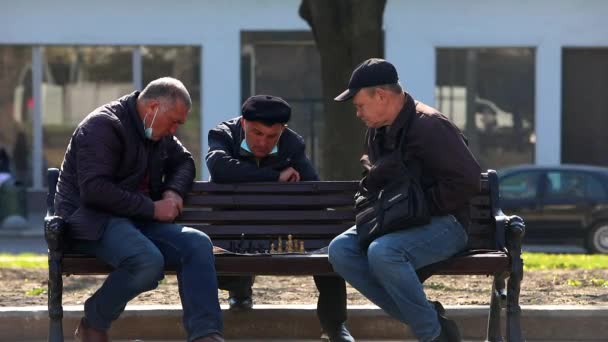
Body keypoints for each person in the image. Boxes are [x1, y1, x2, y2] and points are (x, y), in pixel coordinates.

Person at [54, 77, 224, 342]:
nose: (174, 131)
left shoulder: (156, 130)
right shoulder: (102, 126)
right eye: (174, 121)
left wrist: (173, 192)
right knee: (146, 261)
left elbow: (185, 163)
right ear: (154, 107)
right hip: (92, 220)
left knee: (198, 243)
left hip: (137, 219)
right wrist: (153, 209)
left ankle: (205, 334)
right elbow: (95, 190)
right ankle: (93, 322)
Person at [328, 58, 481, 342]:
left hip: (447, 224)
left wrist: (420, 207)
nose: (358, 113)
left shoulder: (430, 126)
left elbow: (468, 181)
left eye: (360, 105)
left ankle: (431, 336)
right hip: (397, 220)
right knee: (340, 250)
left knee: (383, 252)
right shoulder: (377, 130)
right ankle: (433, 323)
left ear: (381, 96)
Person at [206, 94, 354, 342]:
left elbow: (313, 188)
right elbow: (219, 167)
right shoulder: (223, 135)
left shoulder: (292, 143)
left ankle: (334, 325)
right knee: (224, 267)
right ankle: (241, 288)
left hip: (276, 226)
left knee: (327, 245)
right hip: (232, 226)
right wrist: (274, 176)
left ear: (282, 130)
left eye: (272, 136)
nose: (263, 143)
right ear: (243, 123)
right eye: (256, 133)